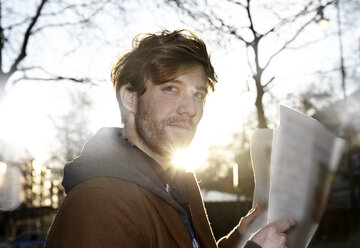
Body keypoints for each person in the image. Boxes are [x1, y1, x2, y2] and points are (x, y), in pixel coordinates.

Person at [45, 30, 295, 248]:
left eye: (198, 94)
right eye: (171, 89)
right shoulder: (99, 202)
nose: (190, 109)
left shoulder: (179, 186)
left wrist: (241, 239)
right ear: (130, 98)